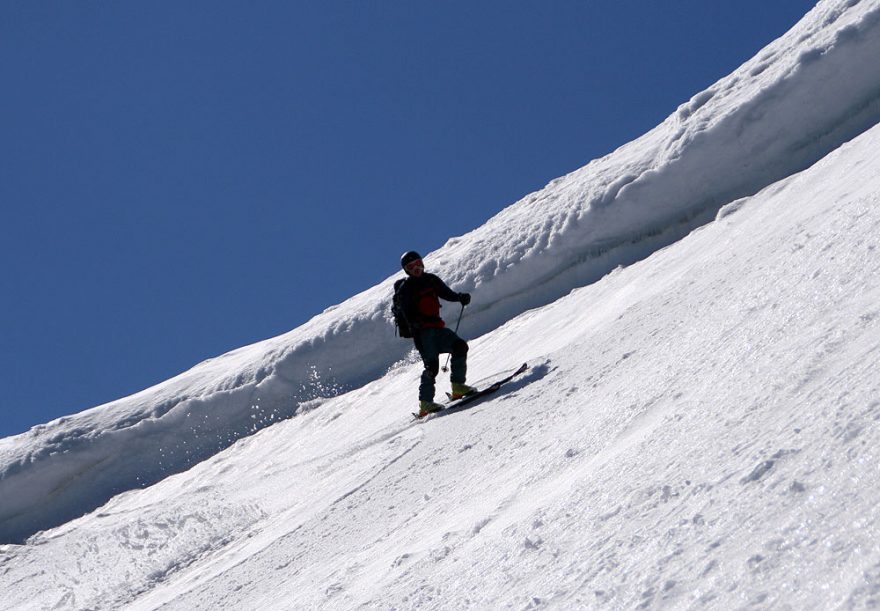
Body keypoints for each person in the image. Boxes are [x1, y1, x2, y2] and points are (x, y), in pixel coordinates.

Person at [397, 251, 476, 416]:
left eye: (418, 263)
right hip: (423, 334)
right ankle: (425, 403)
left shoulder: (431, 280)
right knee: (432, 367)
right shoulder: (406, 289)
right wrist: (415, 323)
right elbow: (406, 311)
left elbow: (446, 293)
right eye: (411, 267)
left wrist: (460, 297)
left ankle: (458, 387)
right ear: (407, 270)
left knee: (460, 346)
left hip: (437, 328)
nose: (416, 268)